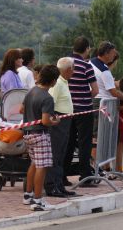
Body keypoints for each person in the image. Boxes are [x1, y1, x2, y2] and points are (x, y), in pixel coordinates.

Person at [22, 64, 60, 211]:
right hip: (40, 134)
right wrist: (55, 121)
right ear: (53, 81)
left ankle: (28, 195)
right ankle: (38, 200)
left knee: (33, 163)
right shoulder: (47, 98)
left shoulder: (31, 92)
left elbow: (22, 109)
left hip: (27, 133)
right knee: (41, 166)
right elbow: (45, 121)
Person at [63, 36, 98, 187]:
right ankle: (85, 175)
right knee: (84, 143)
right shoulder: (86, 66)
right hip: (84, 110)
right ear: (87, 49)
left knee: (68, 142)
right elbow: (95, 90)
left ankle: (62, 174)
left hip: (66, 109)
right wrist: (84, 97)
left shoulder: (63, 64)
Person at [44, 57, 76, 197]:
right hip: (58, 122)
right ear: (68, 69)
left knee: (61, 154)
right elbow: (50, 102)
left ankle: (59, 184)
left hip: (64, 121)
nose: (73, 72)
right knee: (55, 154)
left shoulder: (63, 82)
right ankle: (52, 186)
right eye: (73, 69)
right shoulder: (57, 84)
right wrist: (53, 119)